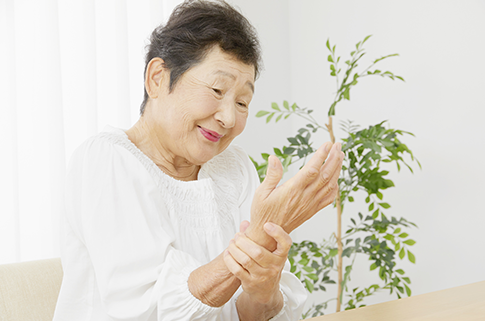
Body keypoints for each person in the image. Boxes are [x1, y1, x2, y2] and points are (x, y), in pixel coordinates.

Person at [53, 1, 344, 320]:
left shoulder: (233, 167)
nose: (229, 117)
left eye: (243, 102)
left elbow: (247, 313)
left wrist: (263, 292)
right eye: (217, 89)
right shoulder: (107, 161)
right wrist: (260, 235)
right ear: (157, 79)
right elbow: (148, 310)